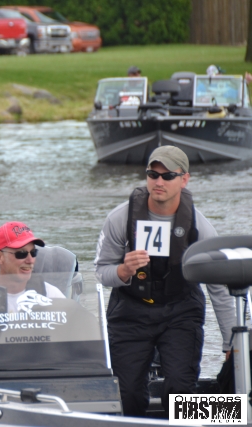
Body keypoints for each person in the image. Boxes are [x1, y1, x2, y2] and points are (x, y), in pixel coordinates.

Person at [94, 146, 235, 417]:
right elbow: (101, 271)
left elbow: (219, 287)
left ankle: (225, 414)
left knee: (179, 391)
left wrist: (231, 343)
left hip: (181, 312)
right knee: (127, 395)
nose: (159, 181)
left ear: (184, 180)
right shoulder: (119, 218)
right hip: (131, 311)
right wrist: (123, 270)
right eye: (153, 174)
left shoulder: (201, 227)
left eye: (168, 175)